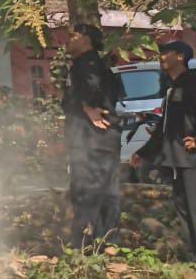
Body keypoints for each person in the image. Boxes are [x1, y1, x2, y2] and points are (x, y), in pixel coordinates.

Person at [132, 40, 196, 260]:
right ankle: (195, 256)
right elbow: (164, 129)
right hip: (178, 160)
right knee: (183, 208)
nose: (161, 56)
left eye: (166, 52)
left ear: (181, 57)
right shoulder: (172, 88)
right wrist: (142, 152)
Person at [63, 23, 121, 247]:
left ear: (85, 39)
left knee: (86, 191)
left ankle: (84, 245)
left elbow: (92, 88)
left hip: (93, 140)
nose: (67, 40)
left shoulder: (87, 63)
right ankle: (108, 243)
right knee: (106, 193)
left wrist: (86, 106)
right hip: (98, 140)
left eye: (73, 35)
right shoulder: (88, 64)